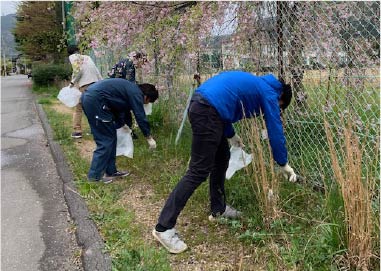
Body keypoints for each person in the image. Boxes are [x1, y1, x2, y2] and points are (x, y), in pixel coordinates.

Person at [152, 71, 297, 254]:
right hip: (207, 112)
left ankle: (218, 209)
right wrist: (283, 162)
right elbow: (274, 128)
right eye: (279, 106)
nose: (273, 109)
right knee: (198, 171)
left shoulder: (258, 84)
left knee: (221, 158)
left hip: (205, 107)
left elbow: (223, 104)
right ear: (280, 98)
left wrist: (231, 135)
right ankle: (163, 228)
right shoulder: (270, 94)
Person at [81, 78, 158, 184]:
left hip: (95, 100)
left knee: (111, 137)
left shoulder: (130, 89)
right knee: (105, 141)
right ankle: (94, 177)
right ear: (146, 96)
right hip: (96, 101)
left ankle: (111, 171)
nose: (144, 104)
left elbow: (119, 108)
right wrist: (148, 136)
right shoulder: (136, 93)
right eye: (147, 102)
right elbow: (140, 115)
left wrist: (123, 124)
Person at [108, 51, 148, 139]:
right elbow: (130, 83)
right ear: (139, 59)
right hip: (118, 91)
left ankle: (127, 132)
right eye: (143, 63)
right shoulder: (130, 65)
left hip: (112, 87)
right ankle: (126, 134)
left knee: (123, 113)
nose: (142, 66)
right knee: (123, 113)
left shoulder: (125, 61)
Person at [68, 45, 103, 139]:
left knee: (78, 108)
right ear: (78, 51)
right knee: (94, 107)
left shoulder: (72, 57)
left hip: (85, 85)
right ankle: (96, 129)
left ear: (70, 53)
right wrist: (101, 82)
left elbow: (77, 71)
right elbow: (96, 70)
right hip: (96, 84)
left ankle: (77, 131)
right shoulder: (87, 57)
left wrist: (72, 83)